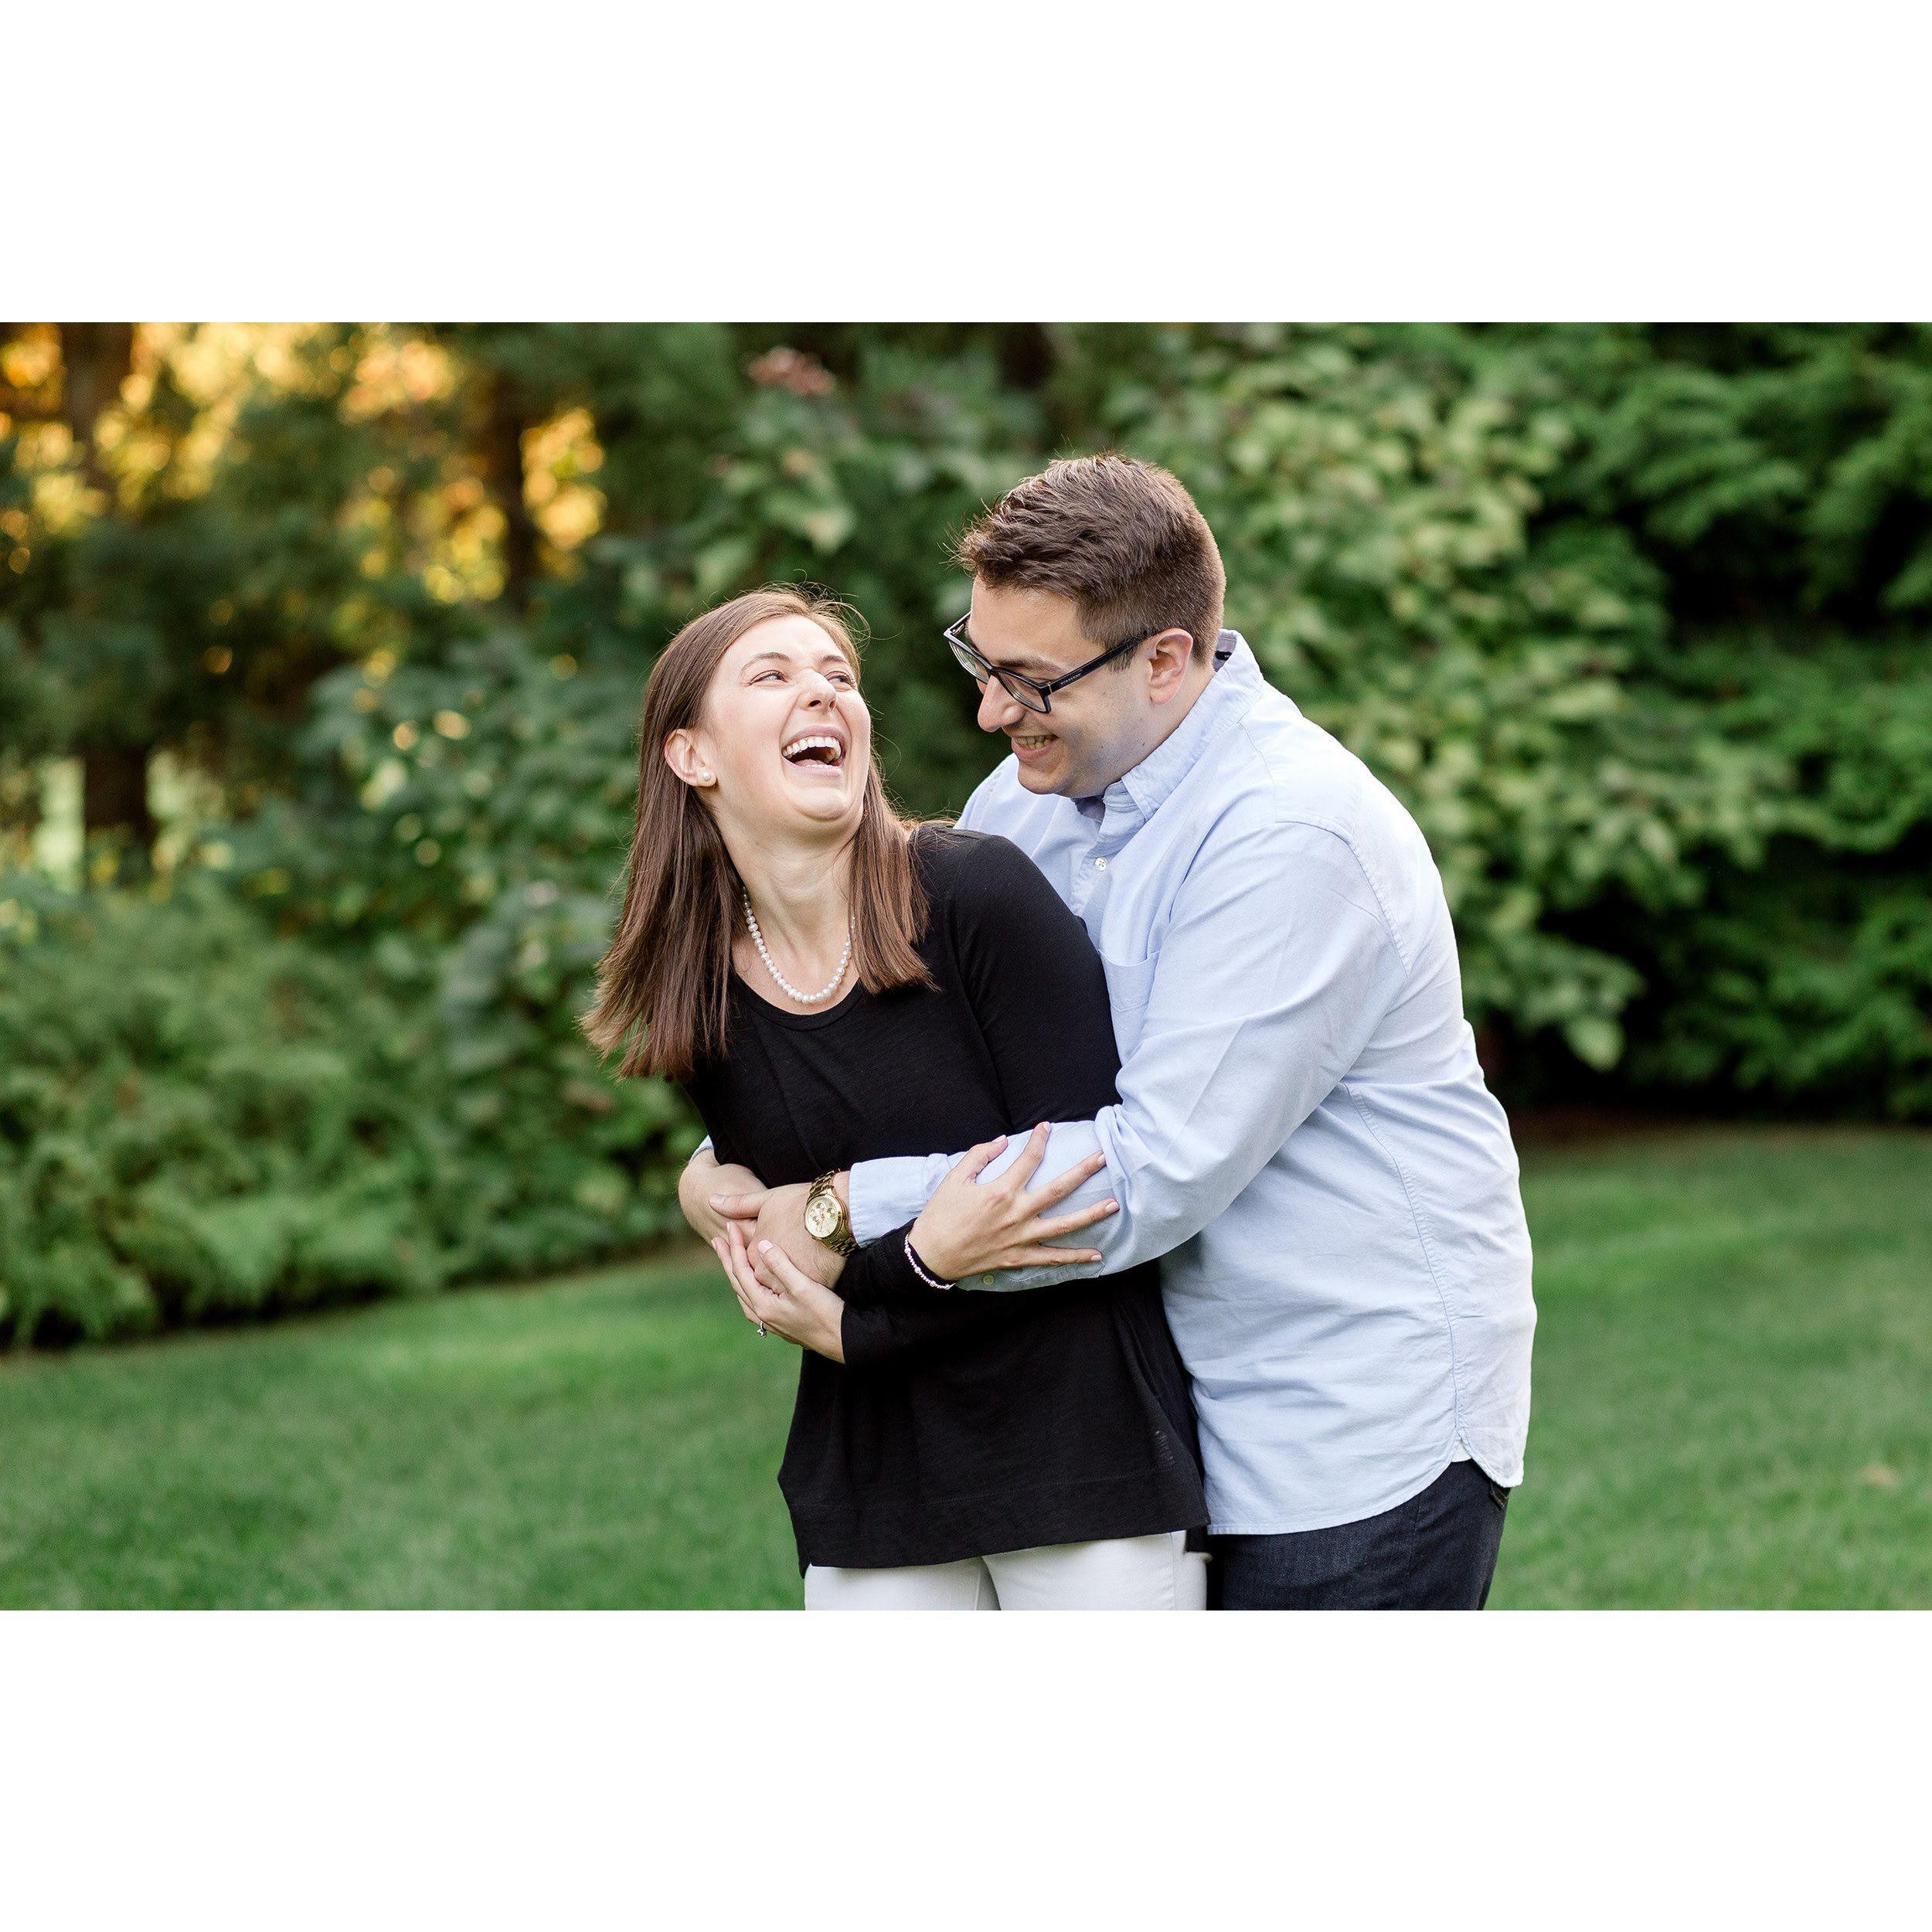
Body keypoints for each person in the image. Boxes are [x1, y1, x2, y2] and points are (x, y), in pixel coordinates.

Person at [693, 456, 1537, 1611]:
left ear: (1164, 661)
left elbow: (1147, 1174)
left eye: (1031, 682)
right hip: (1150, 1407)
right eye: (979, 661)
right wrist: (725, 1174)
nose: (991, 712)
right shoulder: (1017, 808)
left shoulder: (1292, 833)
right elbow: (932, 1065)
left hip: (1339, 1428)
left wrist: (840, 1209)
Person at [585, 584, 1209, 1610]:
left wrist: (869, 1299)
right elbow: (798, 1265)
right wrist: (855, 1252)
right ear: (690, 755)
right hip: (873, 1478)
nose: (822, 692)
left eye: (839, 674)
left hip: (1081, 1460)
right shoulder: (698, 990)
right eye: (772, 675)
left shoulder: (975, 895)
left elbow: (1076, 1196)